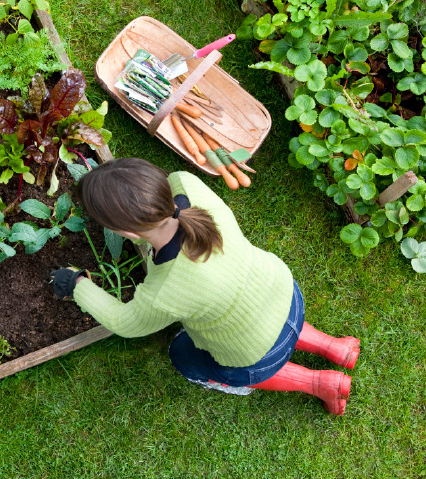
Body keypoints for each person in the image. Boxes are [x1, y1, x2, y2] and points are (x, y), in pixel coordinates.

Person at [51, 158, 360, 415]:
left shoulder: (166, 290)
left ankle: (319, 383)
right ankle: (336, 347)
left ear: (127, 232)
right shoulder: (186, 184)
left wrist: (76, 284)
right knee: (264, 318)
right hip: (284, 293)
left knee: (182, 355)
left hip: (255, 352)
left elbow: (125, 322)